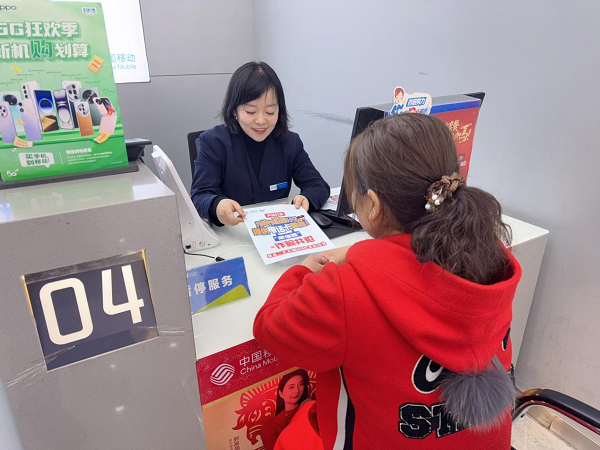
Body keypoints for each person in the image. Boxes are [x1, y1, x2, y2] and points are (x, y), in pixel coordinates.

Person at [253, 113, 522, 449]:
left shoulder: (346, 290)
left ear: (374, 206)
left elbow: (270, 328)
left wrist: (304, 270)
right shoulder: (488, 257)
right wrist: (367, 254)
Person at [190, 61, 330, 226]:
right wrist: (217, 205)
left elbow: (318, 185)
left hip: (277, 228)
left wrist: (307, 198)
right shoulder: (213, 142)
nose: (261, 120)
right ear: (234, 109)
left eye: (270, 112)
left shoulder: (290, 142)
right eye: (250, 111)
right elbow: (200, 196)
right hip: (234, 231)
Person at [260, 369, 310, 450]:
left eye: (301, 384)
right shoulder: (270, 428)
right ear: (281, 393)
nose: (297, 391)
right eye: (291, 387)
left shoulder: (309, 406)